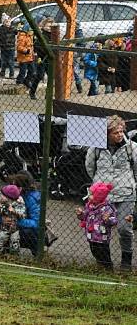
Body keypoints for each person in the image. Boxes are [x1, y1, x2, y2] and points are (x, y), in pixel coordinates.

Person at [85, 115, 137, 270]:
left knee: (124, 228)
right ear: (106, 134)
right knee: (98, 229)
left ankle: (126, 261)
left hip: (125, 193)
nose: (120, 135)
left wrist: (132, 184)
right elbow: (90, 167)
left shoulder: (132, 148)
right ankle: (105, 263)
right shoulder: (95, 149)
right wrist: (99, 184)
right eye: (115, 132)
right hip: (103, 197)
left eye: (121, 131)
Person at [77, 182, 122, 269]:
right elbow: (84, 217)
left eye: (91, 195)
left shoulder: (107, 208)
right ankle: (100, 266)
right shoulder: (89, 206)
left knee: (104, 253)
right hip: (91, 235)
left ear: (99, 196)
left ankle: (108, 268)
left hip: (102, 237)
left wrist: (107, 219)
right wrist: (80, 214)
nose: (89, 196)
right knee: (94, 251)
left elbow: (115, 220)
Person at [9, 172, 41, 256]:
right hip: (14, 223)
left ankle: (37, 253)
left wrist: (17, 222)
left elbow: (36, 223)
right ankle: (5, 250)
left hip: (28, 228)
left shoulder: (32, 198)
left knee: (28, 232)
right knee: (1, 225)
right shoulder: (12, 194)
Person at [0, 184, 26, 253]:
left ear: (9, 197)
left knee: (14, 241)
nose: (1, 196)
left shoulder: (19, 204)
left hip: (15, 228)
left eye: (3, 195)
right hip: (5, 228)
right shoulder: (3, 203)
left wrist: (14, 211)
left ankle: (14, 255)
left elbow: (22, 215)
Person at [28, 17, 53, 99]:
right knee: (39, 75)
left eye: (51, 26)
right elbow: (37, 46)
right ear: (43, 26)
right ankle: (32, 91)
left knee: (51, 77)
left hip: (50, 59)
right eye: (48, 26)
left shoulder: (53, 35)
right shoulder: (40, 35)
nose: (50, 28)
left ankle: (48, 95)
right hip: (41, 58)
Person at [0, 13, 17, 78]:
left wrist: (19, 28)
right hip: (3, 49)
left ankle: (11, 74)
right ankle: (2, 73)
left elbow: (18, 32)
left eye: (9, 21)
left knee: (11, 62)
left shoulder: (13, 28)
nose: (8, 23)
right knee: (3, 62)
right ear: (3, 22)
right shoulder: (0, 30)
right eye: (6, 22)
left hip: (11, 49)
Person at [15, 22, 34, 86]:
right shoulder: (22, 36)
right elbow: (19, 47)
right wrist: (26, 50)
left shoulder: (30, 36)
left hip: (30, 57)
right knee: (23, 71)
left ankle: (27, 80)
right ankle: (19, 81)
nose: (32, 32)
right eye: (31, 30)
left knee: (32, 70)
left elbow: (31, 46)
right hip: (23, 57)